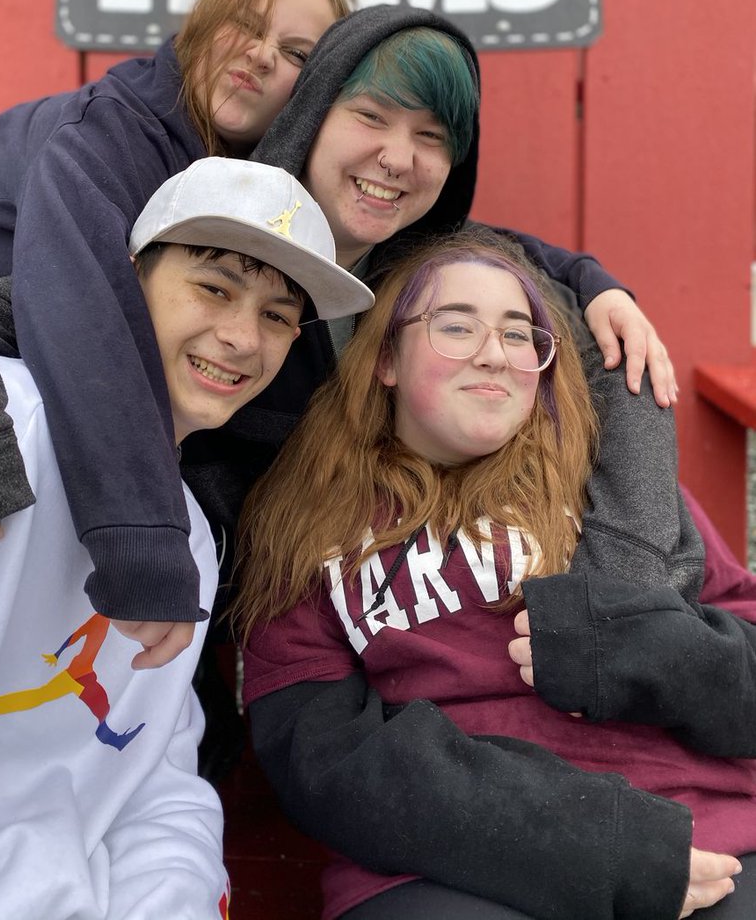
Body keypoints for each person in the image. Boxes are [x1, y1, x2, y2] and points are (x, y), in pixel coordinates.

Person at [0, 6, 694, 656]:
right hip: (192, 625)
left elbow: (627, 373)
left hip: (453, 626)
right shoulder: (204, 220)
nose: (398, 158)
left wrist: (626, 597)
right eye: (371, 117)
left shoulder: (448, 272)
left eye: (432, 138)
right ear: (314, 114)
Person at [0, 157, 374, 919]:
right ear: (128, 281)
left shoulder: (189, 539)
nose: (240, 337)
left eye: (276, 314)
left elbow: (156, 789)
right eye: (214, 287)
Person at [236, 230, 756, 920]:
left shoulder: (620, 497)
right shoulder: (305, 524)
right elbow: (322, 761)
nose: (493, 354)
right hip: (458, 865)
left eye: (520, 336)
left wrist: (660, 651)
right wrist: (588, 845)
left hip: (712, 839)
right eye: (455, 326)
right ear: (386, 357)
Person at [0, 0, 350, 644]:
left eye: (296, 52)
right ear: (200, 26)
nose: (261, 56)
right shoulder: (109, 129)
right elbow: (86, 310)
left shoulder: (232, 182)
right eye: (246, 25)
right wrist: (145, 550)